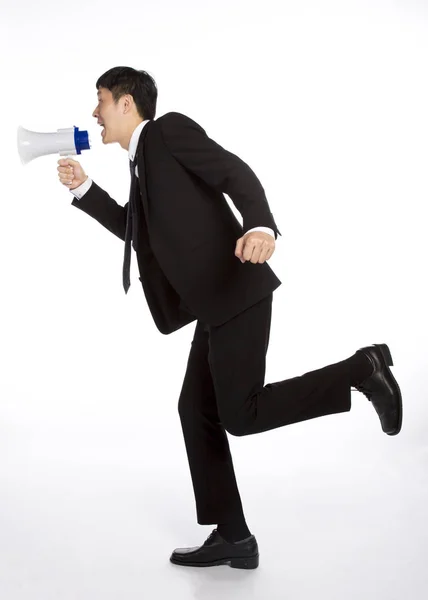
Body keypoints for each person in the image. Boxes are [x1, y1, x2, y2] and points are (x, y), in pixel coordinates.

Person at [57, 66, 402, 570]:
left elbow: (233, 171)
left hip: (237, 289)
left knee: (241, 414)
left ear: (127, 103)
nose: (94, 112)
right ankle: (234, 535)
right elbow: (139, 234)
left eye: (100, 100)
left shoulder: (168, 131)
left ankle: (362, 370)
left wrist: (260, 224)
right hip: (215, 304)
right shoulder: (143, 163)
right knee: (194, 409)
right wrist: (84, 189)